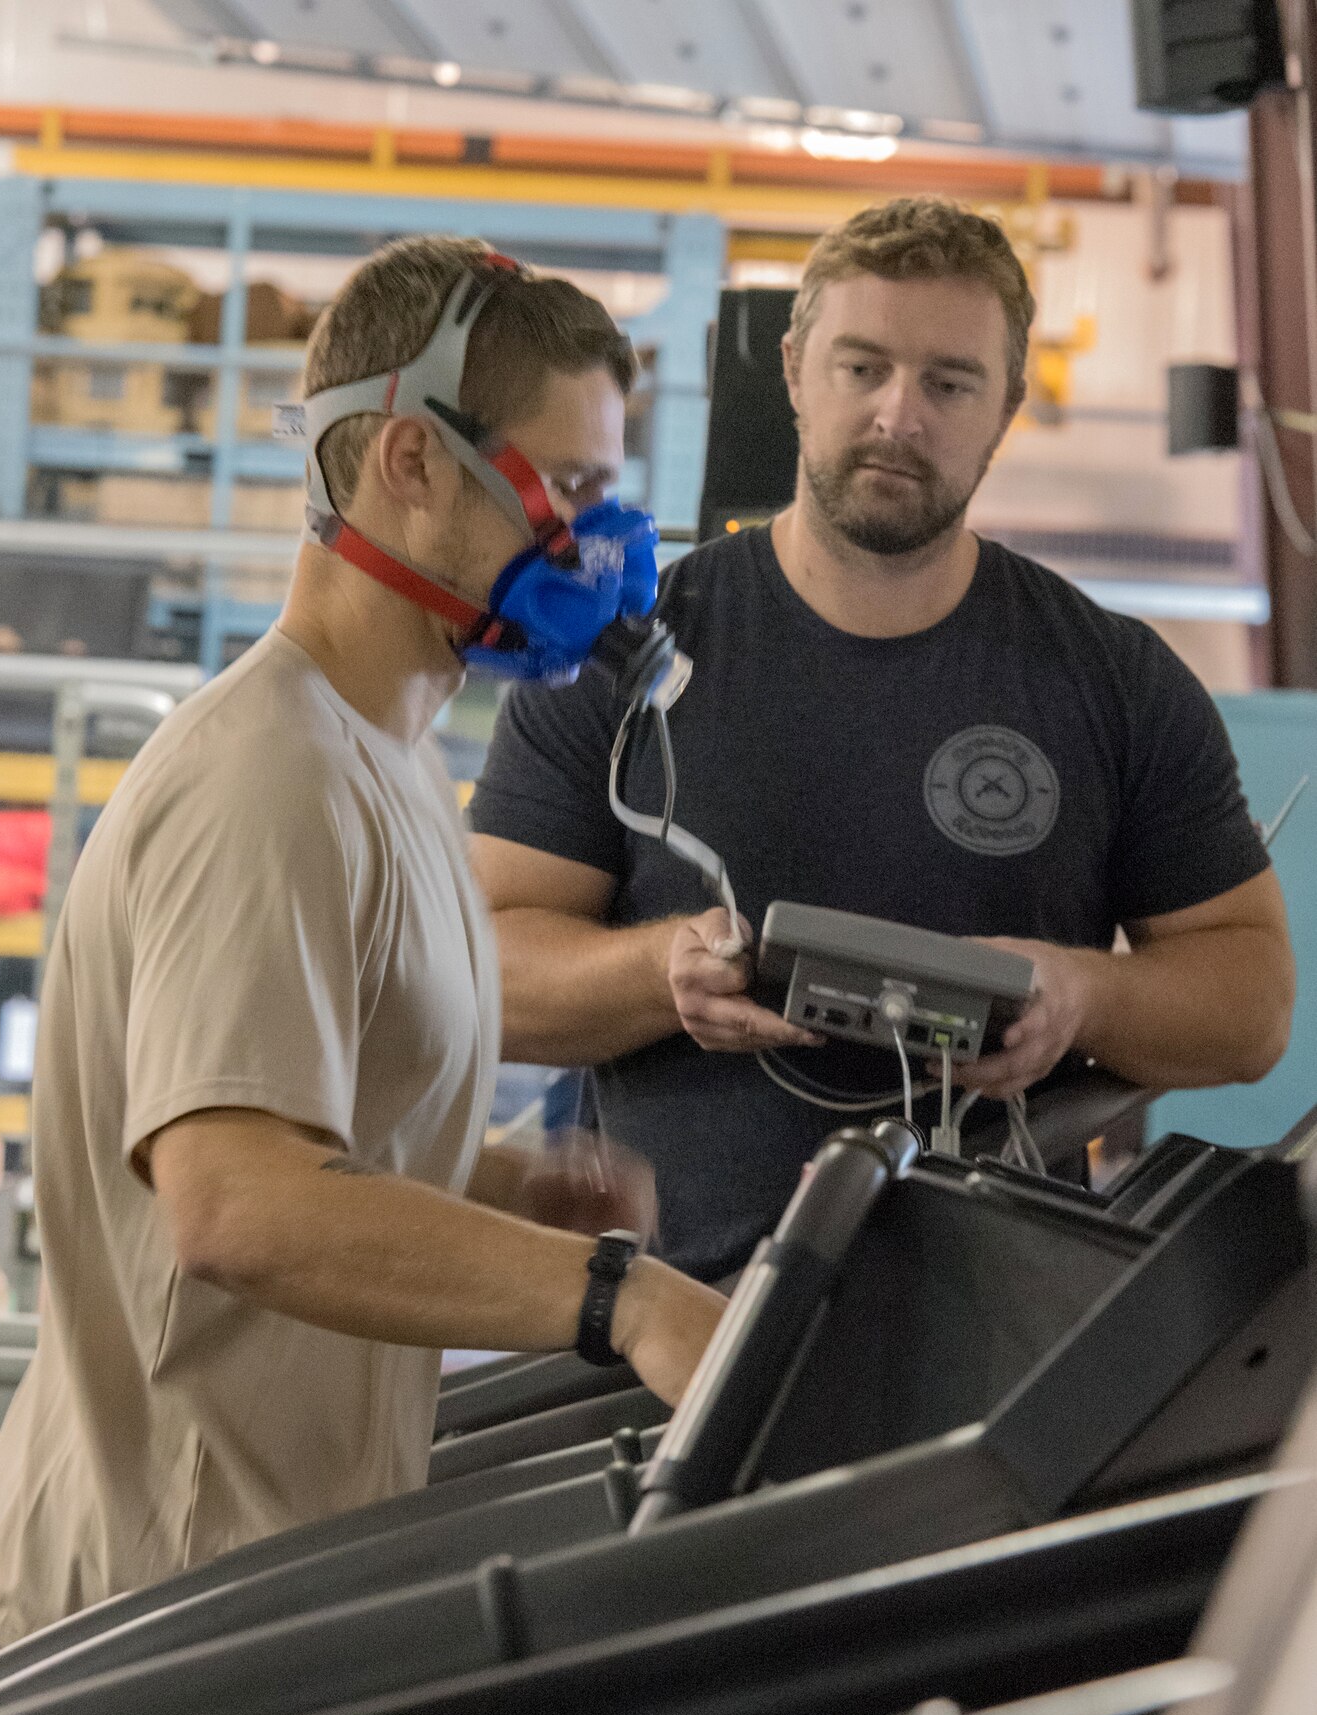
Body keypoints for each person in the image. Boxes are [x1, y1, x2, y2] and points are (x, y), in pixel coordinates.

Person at [0, 236, 725, 1650]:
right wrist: (618, 1301)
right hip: (150, 1605)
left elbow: (322, 1132)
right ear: (406, 461)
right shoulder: (269, 780)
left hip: (260, 1570)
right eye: (565, 490)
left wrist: (503, 1184)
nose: (602, 551)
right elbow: (236, 1203)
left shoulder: (385, 760)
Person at [470, 197, 1295, 1286]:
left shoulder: (1113, 679)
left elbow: (1252, 1001)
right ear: (795, 369)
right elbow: (479, 976)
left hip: (998, 1336)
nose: (898, 416)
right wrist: (657, 972)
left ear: (1004, 406)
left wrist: (1083, 997)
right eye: (862, 368)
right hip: (671, 1326)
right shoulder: (627, 655)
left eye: (949, 383)